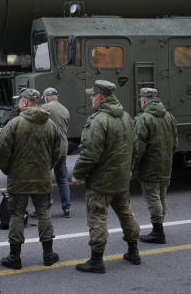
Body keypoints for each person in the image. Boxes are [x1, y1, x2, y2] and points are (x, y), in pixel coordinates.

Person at [72, 80, 141, 273]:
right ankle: (134, 252)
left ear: (101, 96)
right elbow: (135, 148)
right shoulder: (126, 117)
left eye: (93, 95)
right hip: (121, 181)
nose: (91, 98)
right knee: (126, 214)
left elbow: (90, 153)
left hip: (101, 182)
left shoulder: (99, 120)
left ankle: (96, 261)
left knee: (97, 219)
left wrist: (78, 174)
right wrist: (129, 168)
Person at [0, 88, 62, 269]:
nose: (18, 104)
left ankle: (14, 257)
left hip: (18, 179)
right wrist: (45, 168)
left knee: (17, 215)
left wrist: (8, 170)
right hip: (42, 178)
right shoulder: (50, 125)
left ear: (25, 103)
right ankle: (48, 254)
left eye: (20, 101)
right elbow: (57, 152)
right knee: (44, 213)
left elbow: (3, 151)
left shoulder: (14, 124)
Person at [133, 88, 178, 244]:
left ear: (144, 100)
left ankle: (158, 232)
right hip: (166, 165)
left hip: (149, 168)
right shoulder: (169, 117)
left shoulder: (143, 119)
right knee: (162, 197)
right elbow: (175, 144)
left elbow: (138, 148)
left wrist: (133, 168)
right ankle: (158, 227)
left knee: (153, 199)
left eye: (141, 99)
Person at [39, 88, 71, 218]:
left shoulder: (44, 108)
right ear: (57, 96)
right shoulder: (65, 110)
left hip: (48, 148)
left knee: (44, 179)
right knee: (62, 179)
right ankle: (67, 208)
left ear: (46, 97)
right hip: (62, 148)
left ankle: (43, 207)